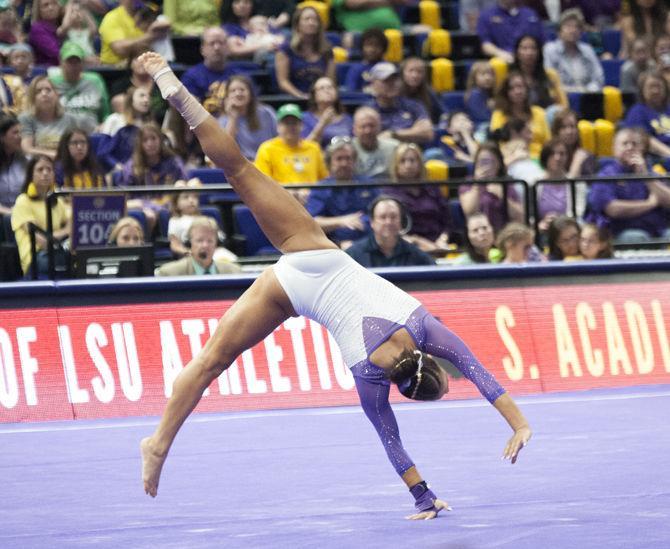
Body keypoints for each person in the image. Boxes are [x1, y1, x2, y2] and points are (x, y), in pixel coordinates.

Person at [138, 52, 532, 515]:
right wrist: (423, 497)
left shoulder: (425, 328)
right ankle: (158, 443)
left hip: (315, 254)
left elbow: (483, 376)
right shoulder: (371, 379)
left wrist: (520, 425)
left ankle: (172, 85)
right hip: (292, 291)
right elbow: (393, 444)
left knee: (240, 170)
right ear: (403, 386)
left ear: (429, 362)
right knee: (211, 361)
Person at [585, 127, 670, 243]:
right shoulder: (606, 175)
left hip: (658, 230)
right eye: (625, 143)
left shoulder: (649, 172)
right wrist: (649, 204)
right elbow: (613, 209)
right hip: (621, 232)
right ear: (614, 148)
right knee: (638, 237)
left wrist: (646, 177)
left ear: (641, 149)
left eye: (634, 144)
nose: (630, 147)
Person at [305, 137, 377, 247]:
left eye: (348, 158)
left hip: (370, 244)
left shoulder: (368, 184)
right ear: (329, 163)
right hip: (332, 246)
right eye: (339, 159)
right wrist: (341, 221)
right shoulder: (321, 188)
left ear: (354, 161)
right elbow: (312, 223)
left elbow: (379, 215)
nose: (344, 163)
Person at [383, 143, 452, 253]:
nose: (408, 165)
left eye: (412, 160)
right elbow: (392, 229)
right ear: (396, 165)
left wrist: (442, 239)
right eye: (403, 161)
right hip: (407, 246)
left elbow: (447, 221)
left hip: (439, 244)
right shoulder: (389, 193)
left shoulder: (432, 188)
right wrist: (423, 244)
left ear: (420, 163)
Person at [254, 103, 328, 201]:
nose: (291, 126)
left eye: (294, 123)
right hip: (279, 200)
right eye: (286, 123)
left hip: (311, 200)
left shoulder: (314, 148)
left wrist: (311, 193)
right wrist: (286, 193)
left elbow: (324, 179)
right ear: (278, 127)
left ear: (301, 126)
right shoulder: (267, 148)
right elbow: (263, 182)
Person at [11, 154, 70, 275]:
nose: (45, 173)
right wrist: (65, 231)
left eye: (49, 169)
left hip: (57, 251)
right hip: (36, 257)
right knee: (62, 261)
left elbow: (73, 221)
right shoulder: (23, 201)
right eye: (40, 169)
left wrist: (67, 230)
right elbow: (42, 241)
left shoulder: (57, 201)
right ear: (31, 174)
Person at [346, 196, 435, 267]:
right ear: (372, 222)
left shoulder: (417, 256)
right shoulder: (353, 255)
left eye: (393, 217)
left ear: (401, 221)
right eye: (382, 217)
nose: (388, 222)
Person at [459, 142, 524, 232]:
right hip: (478, 234)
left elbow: (519, 216)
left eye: (491, 161)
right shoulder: (469, 183)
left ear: (499, 164)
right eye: (482, 161)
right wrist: (477, 185)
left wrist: (502, 195)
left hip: (502, 233)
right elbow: (469, 211)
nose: (486, 166)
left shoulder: (506, 184)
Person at [274, 5, 335, 100]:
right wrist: (301, 96)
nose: (311, 23)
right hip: (293, 99)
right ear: (297, 24)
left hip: (321, 100)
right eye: (307, 19)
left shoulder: (327, 50)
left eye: (315, 20)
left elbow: (330, 81)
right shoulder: (285, 49)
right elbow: (283, 82)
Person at [368, 62, 434, 145]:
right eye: (386, 81)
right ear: (373, 84)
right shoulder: (368, 111)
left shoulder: (413, 105)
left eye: (395, 79)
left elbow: (427, 133)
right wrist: (413, 131)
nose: (392, 84)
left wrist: (394, 134)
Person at [49, 41, 110, 132]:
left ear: (83, 63)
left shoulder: (95, 80)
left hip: (93, 131)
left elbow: (106, 111)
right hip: (61, 134)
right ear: (61, 62)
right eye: (70, 62)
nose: (74, 66)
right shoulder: (52, 82)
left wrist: (104, 125)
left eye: (77, 62)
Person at [490, 70, 550, 159]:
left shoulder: (539, 112)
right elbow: (498, 143)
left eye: (520, 87)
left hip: (539, 159)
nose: (517, 91)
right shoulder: (499, 114)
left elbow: (548, 142)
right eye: (512, 88)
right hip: (511, 158)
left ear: (526, 89)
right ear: (506, 92)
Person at [542, 9, 604, 93]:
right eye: (568, 26)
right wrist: (572, 91)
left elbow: (599, 78)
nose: (573, 30)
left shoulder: (587, 50)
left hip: (587, 97)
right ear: (559, 31)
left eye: (577, 27)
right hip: (561, 99)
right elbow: (549, 80)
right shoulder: (550, 50)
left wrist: (587, 90)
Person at [156, 215, 241, 276]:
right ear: (189, 243)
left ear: (216, 244)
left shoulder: (234, 272)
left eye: (210, 241)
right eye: (199, 240)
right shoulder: (170, 273)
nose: (205, 245)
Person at [218, 75, 277, 160]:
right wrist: (233, 118)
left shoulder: (266, 113)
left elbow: (280, 138)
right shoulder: (223, 120)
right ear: (227, 96)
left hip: (268, 162)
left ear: (251, 94)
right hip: (240, 167)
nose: (238, 93)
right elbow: (224, 150)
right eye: (233, 91)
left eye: (242, 90)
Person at [18, 75, 79, 158]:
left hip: (64, 164)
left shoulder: (70, 119)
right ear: (32, 98)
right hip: (36, 164)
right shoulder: (25, 118)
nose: (44, 94)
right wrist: (53, 155)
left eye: (48, 90)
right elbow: (27, 149)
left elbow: (76, 146)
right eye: (38, 91)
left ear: (56, 95)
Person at [181, 27, 235, 114]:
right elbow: (189, 114)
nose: (217, 47)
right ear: (202, 49)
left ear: (228, 48)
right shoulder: (191, 77)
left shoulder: (238, 76)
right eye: (211, 43)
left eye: (221, 43)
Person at [99, 0, 170, 66]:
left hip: (142, 66)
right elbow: (120, 49)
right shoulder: (112, 18)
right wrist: (149, 37)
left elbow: (166, 22)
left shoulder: (145, 13)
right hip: (115, 69)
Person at [509, 34, 567, 111]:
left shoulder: (550, 75)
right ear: (517, 52)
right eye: (524, 48)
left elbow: (563, 104)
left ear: (539, 52)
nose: (529, 52)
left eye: (533, 48)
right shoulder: (509, 75)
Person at [477, 0, 544, 63]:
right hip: (502, 59)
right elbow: (486, 45)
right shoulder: (486, 15)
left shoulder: (530, 14)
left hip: (529, 59)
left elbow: (542, 40)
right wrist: (501, 54)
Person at [623, 70, 670, 158]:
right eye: (651, 87)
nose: (655, 91)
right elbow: (645, 140)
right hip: (657, 159)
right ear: (642, 90)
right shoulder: (637, 111)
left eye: (659, 86)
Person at [301, 76, 353, 148]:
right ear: (314, 95)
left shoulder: (348, 119)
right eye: (321, 88)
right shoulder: (305, 118)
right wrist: (322, 123)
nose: (327, 91)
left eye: (330, 87)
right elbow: (304, 147)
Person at [351, 106, 399, 179]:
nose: (368, 131)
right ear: (354, 129)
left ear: (379, 127)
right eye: (363, 126)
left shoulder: (394, 147)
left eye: (372, 126)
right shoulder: (347, 150)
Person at [550, 108, 598, 178]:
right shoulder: (551, 156)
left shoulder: (586, 158)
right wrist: (576, 165)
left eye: (572, 126)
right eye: (563, 127)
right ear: (556, 131)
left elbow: (590, 186)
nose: (569, 132)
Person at [400, 57, 444, 124]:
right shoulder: (395, 93)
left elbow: (443, 113)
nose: (415, 75)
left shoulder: (429, 92)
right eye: (410, 71)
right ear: (402, 73)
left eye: (419, 72)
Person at [344, 28, 388, 93]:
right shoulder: (356, 69)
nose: (372, 49)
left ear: (383, 48)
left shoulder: (388, 68)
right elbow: (351, 92)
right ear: (362, 47)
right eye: (368, 45)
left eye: (377, 45)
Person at [0, 115, 27, 215]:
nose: (20, 136)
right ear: (2, 136)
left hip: (22, 212)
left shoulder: (26, 161)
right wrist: (11, 213)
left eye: (21, 132)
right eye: (15, 133)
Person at [28, 0, 62, 66]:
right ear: (39, 10)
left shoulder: (59, 25)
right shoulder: (37, 29)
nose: (51, 8)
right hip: (46, 71)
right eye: (45, 5)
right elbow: (56, 53)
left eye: (54, 3)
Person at [464, 61, 496, 126]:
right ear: (474, 78)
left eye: (491, 74)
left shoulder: (492, 94)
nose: (488, 78)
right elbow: (483, 118)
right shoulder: (474, 94)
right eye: (483, 74)